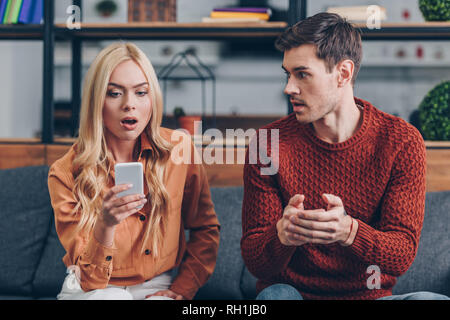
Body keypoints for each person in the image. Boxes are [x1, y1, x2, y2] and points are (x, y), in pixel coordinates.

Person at [240, 13, 449, 300]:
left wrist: (349, 231)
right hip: (293, 294)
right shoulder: (268, 143)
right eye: (287, 74)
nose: (289, 87)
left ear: (344, 73)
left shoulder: (401, 141)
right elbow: (255, 261)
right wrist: (282, 236)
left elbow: (401, 253)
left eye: (302, 74)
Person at [48, 42, 220, 300]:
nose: (130, 104)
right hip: (93, 288)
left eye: (141, 93)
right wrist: (105, 226)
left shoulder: (179, 150)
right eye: (115, 93)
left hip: (157, 284)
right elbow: (90, 279)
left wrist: (181, 290)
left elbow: (206, 230)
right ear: (97, 101)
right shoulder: (64, 172)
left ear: (153, 98)